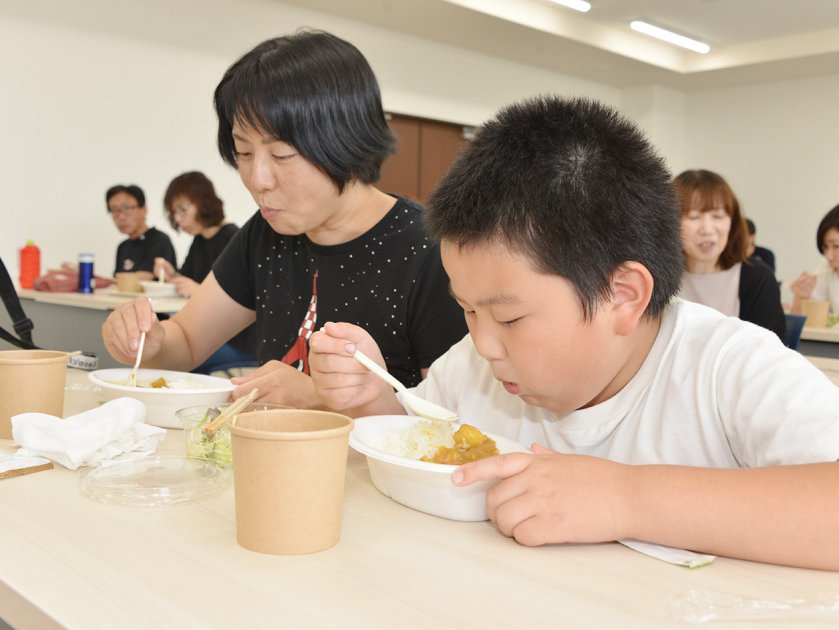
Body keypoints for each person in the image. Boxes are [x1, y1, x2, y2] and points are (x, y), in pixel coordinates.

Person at [308, 96, 839, 571]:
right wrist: (372, 399)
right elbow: (414, 450)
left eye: (510, 318)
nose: (485, 343)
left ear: (622, 295)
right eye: (468, 310)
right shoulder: (473, 363)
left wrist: (625, 497)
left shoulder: (727, 366)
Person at [101, 30, 466, 407]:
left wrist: (317, 399)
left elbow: (448, 426)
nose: (258, 180)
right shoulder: (266, 232)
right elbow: (188, 341)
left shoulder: (430, 251)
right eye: (243, 153)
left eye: (282, 155)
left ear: (347, 141)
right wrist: (148, 340)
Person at [153, 171, 257, 373]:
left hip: (240, 342)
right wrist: (171, 274)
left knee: (172, 361)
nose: (178, 218)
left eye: (183, 210)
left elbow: (245, 298)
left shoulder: (232, 238)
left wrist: (199, 290)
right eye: (174, 213)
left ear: (204, 203)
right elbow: (187, 279)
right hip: (211, 337)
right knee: (166, 354)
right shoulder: (200, 240)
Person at [674, 170, 785, 340]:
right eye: (694, 217)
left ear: (732, 223)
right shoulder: (656, 279)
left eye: (717, 216)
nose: (707, 229)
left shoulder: (758, 279)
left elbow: (767, 356)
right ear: (671, 222)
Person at [107, 184, 177, 279]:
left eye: (127, 208)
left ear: (144, 210)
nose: (121, 217)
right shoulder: (123, 247)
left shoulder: (160, 240)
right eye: (115, 210)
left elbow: (144, 278)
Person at [790, 203, 839, 315]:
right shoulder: (826, 266)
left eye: (836, 246)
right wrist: (801, 297)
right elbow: (807, 323)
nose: (828, 256)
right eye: (825, 247)